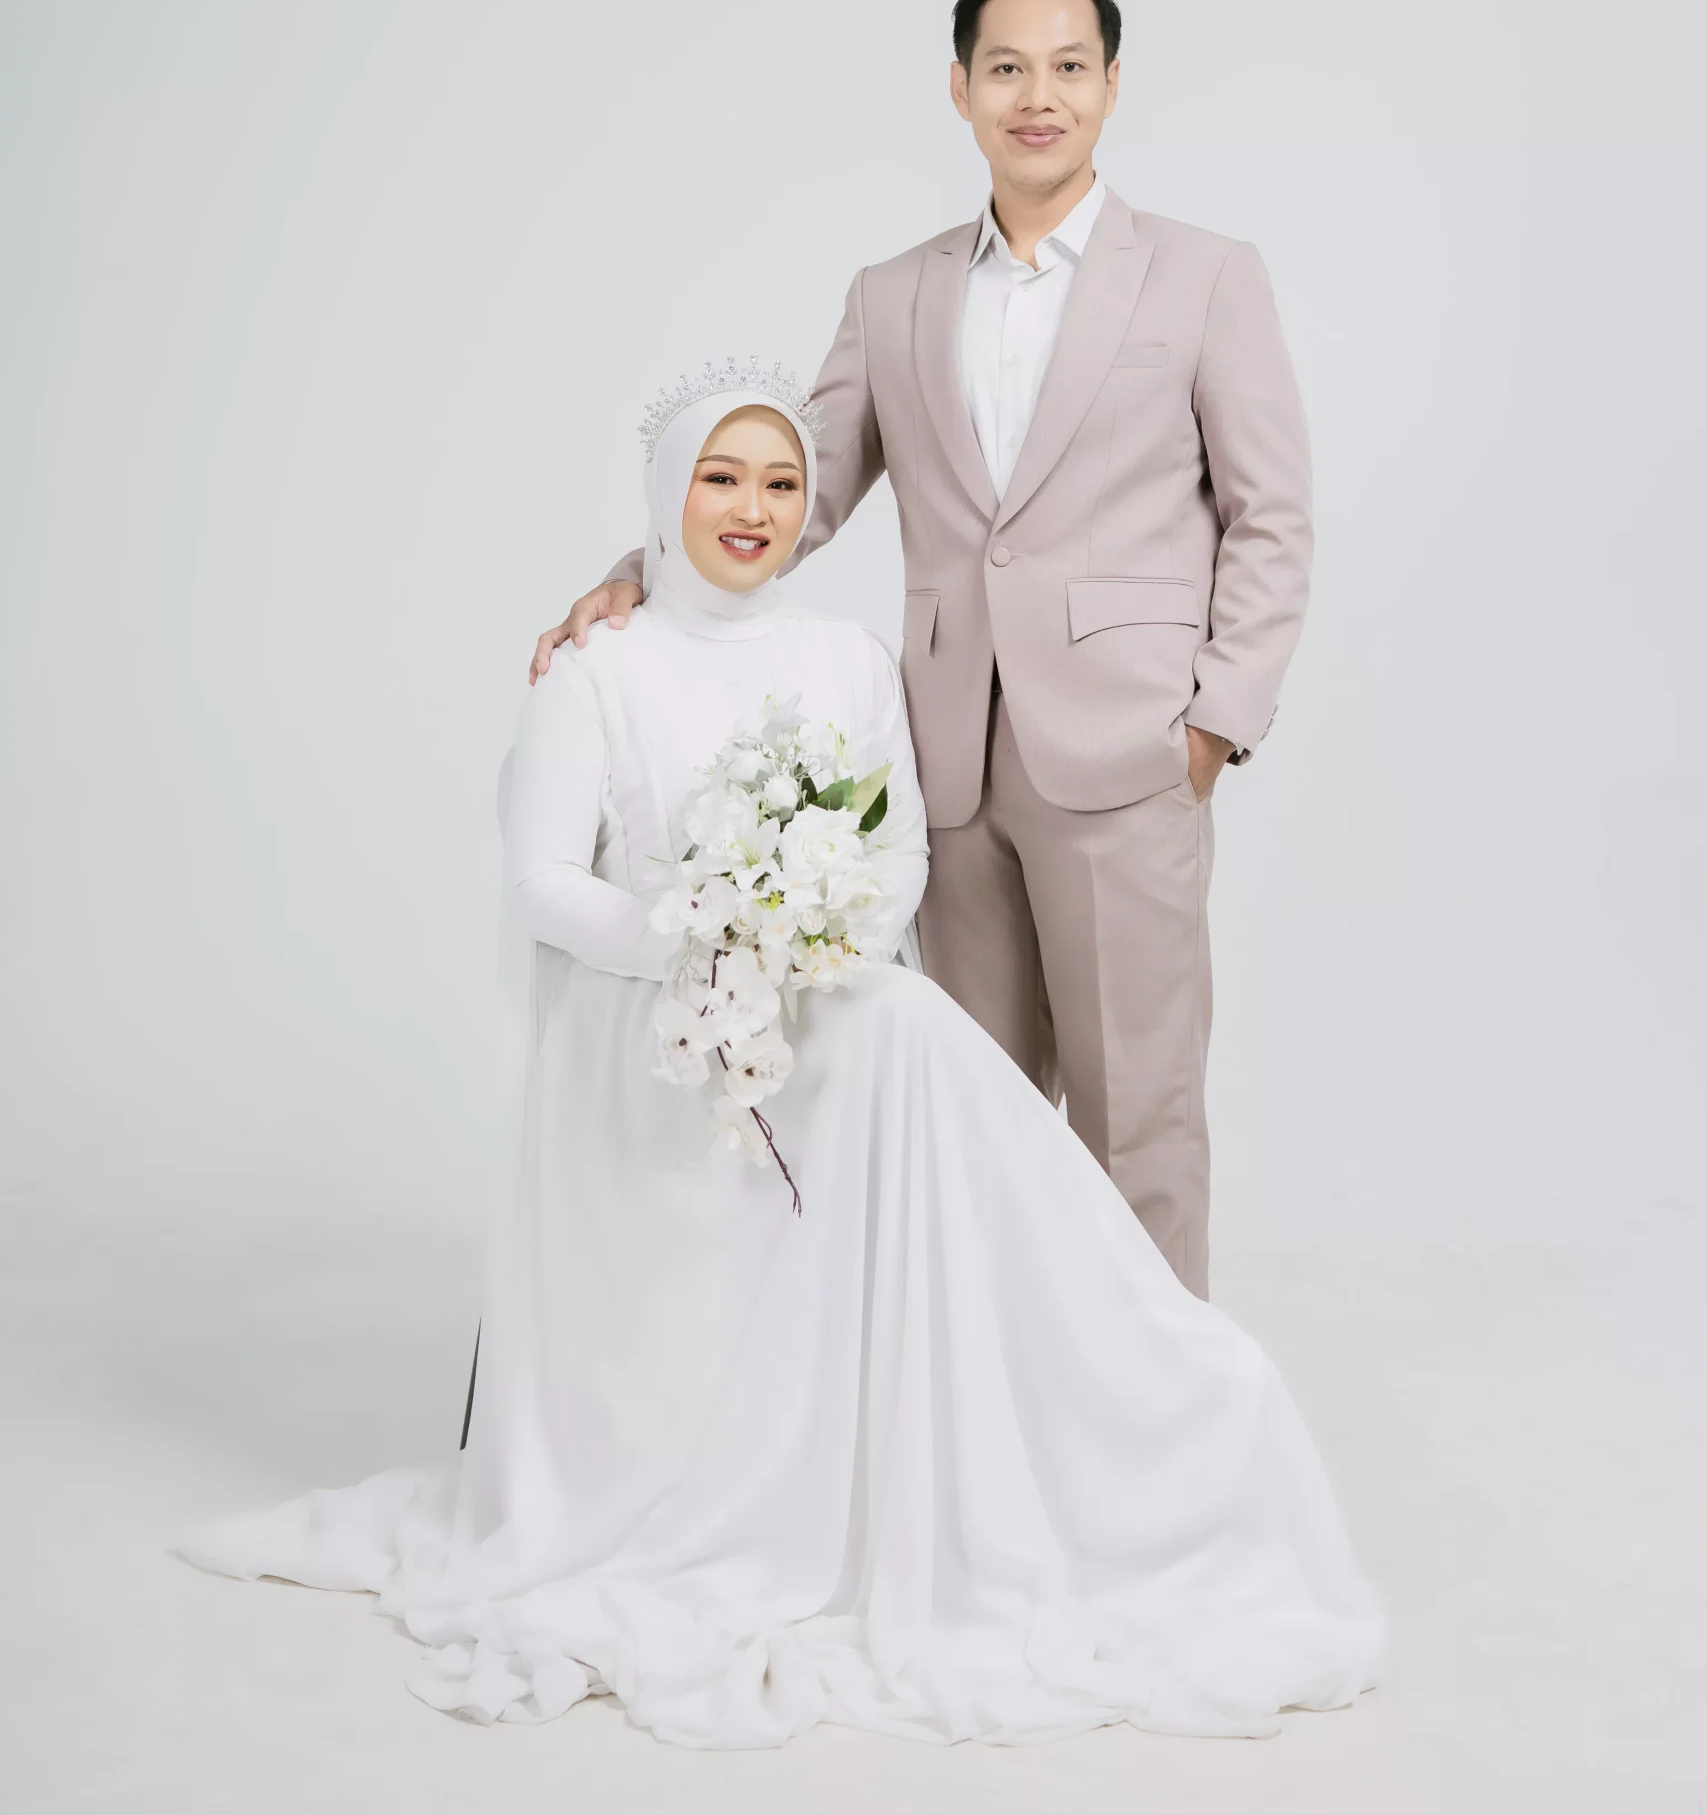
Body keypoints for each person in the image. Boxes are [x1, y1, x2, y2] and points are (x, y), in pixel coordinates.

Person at [180, 364, 1381, 1746]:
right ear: (666, 495)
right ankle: (735, 1478)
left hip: (815, 1000)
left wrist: (802, 941)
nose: (750, 509)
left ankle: (1086, 1401)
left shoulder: (845, 660)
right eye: (719, 478)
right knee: (893, 1033)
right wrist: (699, 945)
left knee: (907, 1025)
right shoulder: (597, 671)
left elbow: (894, 854)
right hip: (651, 1022)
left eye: (780, 484)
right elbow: (543, 885)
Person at [535, 0, 1313, 1299]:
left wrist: (1212, 726)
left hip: (1130, 757)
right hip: (944, 768)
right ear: (960, 89)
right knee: (969, 1115)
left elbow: (1273, 514)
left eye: (1068, 66)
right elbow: (805, 487)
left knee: (1138, 1119)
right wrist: (634, 573)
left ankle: (1156, 1407)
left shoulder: (1202, 277)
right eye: (1006, 67)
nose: (1037, 95)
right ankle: (994, 1388)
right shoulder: (892, 293)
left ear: (1110, 87)